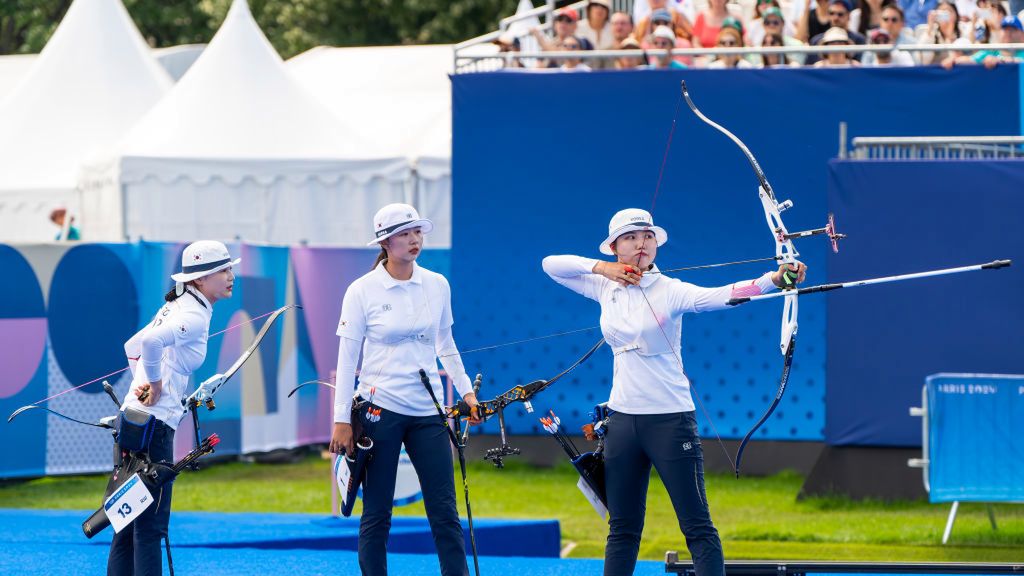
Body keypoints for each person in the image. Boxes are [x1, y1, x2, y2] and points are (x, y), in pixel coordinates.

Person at [542, 208, 806, 576]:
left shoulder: (671, 290)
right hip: (621, 421)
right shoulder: (603, 285)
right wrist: (604, 269)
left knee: (697, 527)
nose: (641, 244)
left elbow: (725, 295)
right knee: (622, 529)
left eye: (647, 237)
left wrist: (775, 279)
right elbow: (550, 264)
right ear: (615, 247)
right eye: (631, 238)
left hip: (669, 421)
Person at [330, 203, 481, 576]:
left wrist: (467, 394)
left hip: (428, 412)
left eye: (418, 232)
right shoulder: (361, 290)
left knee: (445, 511)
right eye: (404, 233)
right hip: (379, 412)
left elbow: (446, 344)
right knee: (378, 512)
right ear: (385, 242)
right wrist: (340, 422)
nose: (414, 240)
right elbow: (348, 359)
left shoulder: (437, 284)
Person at [109, 240, 239, 575]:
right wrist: (153, 384)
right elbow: (150, 343)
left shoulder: (179, 304)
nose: (230, 275)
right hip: (153, 428)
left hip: (133, 419)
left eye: (229, 268)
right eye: (222, 271)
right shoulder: (192, 314)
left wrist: (145, 381)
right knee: (149, 528)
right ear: (199, 280)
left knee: (126, 523)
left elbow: (133, 346)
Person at [944, 15, 1024, 68]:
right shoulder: (991, 51)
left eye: (1013, 29)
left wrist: (1001, 61)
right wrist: (954, 61)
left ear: (1022, 34)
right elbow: (971, 60)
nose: (1008, 33)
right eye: (1005, 29)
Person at [917, 0, 960, 65]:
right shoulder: (930, 31)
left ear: (956, 14)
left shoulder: (963, 30)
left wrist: (950, 37)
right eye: (942, 11)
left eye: (949, 11)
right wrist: (930, 29)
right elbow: (924, 61)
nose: (946, 14)